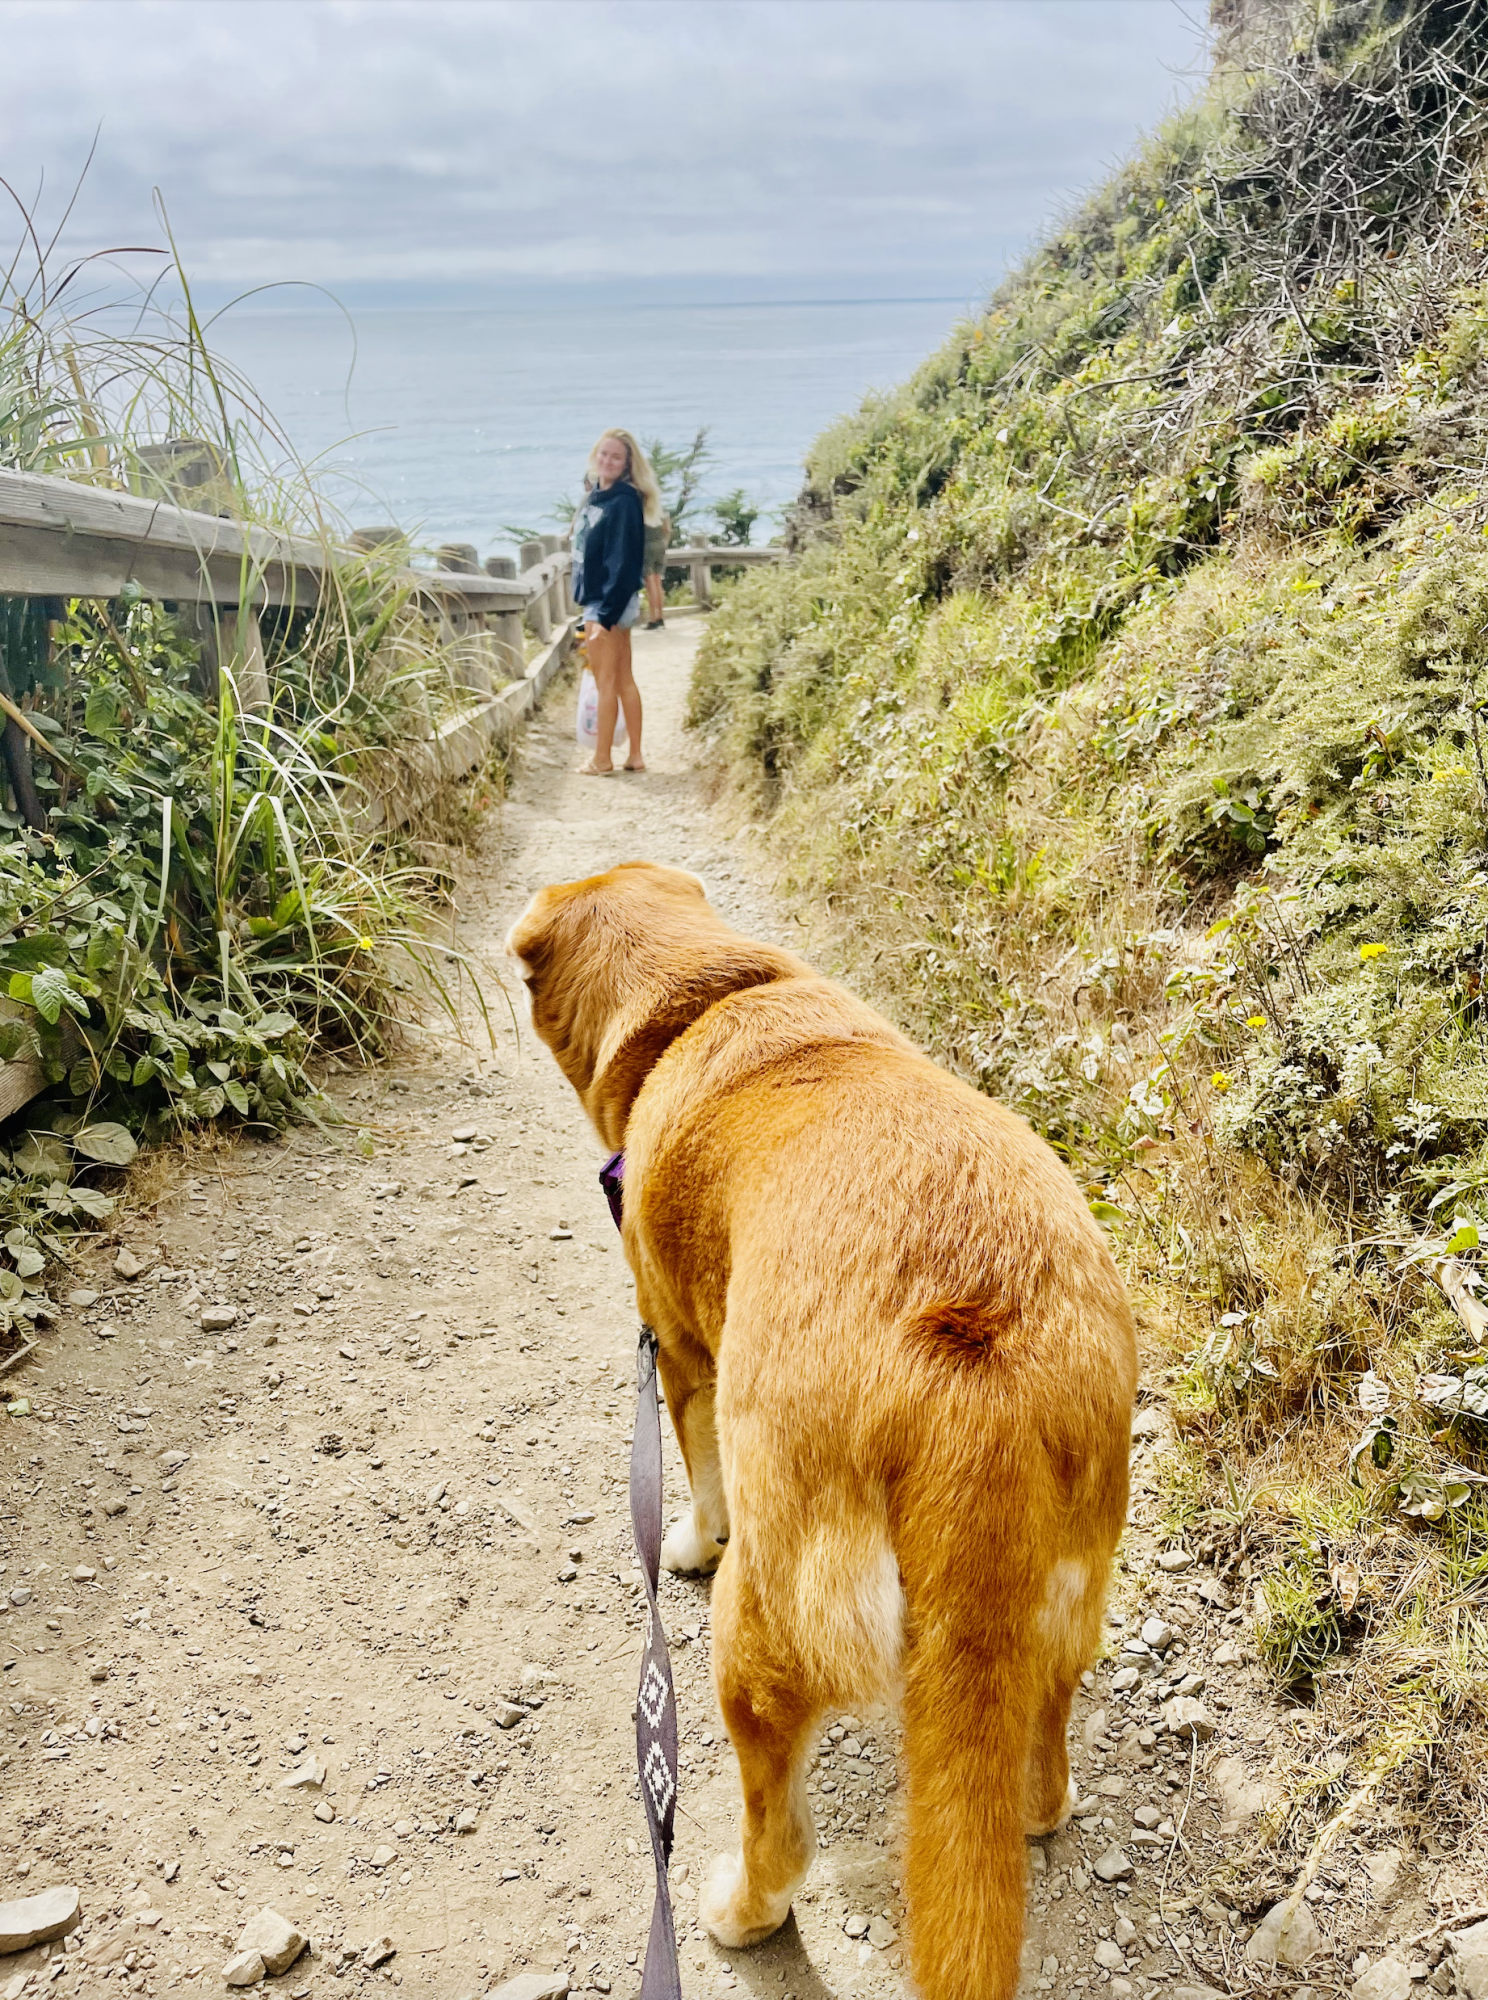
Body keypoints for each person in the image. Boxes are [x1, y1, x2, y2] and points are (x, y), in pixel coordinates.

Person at [570, 428, 661, 775]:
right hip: (611, 600)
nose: (607, 461)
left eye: (616, 457)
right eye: (604, 454)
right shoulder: (600, 496)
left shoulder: (622, 502)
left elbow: (623, 562)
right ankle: (635, 755)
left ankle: (602, 759)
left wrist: (604, 616)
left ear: (626, 464)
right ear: (596, 455)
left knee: (606, 682)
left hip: (606, 602)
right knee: (623, 679)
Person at [643, 508, 671, 629]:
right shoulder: (662, 510)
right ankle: (660, 617)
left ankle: (653, 618)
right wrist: (664, 543)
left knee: (651, 585)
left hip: (647, 546)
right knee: (658, 583)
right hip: (660, 545)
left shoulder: (641, 511)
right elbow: (667, 530)